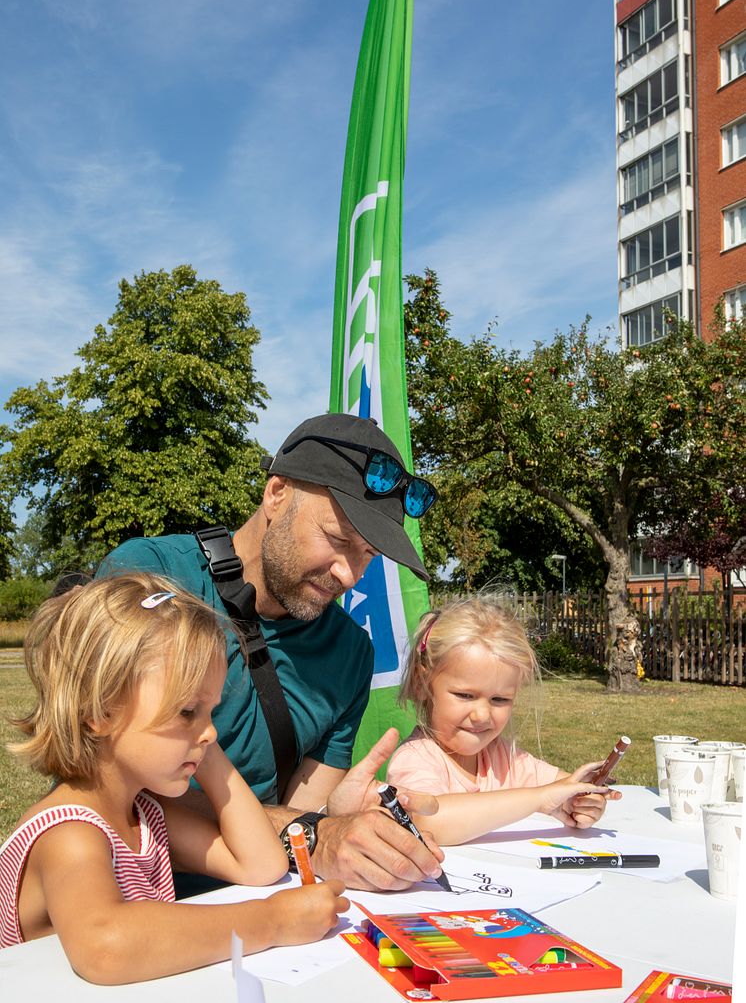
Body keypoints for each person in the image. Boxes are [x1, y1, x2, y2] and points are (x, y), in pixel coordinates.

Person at [96, 413, 446, 891]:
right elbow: (103, 782)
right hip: (123, 893)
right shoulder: (150, 578)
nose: (349, 576)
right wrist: (306, 832)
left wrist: (331, 818)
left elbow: (305, 806)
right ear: (276, 494)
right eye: (339, 540)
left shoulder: (350, 652)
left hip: (259, 900)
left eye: (368, 554)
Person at [0, 574, 348, 983]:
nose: (210, 731)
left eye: (211, 711)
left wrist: (204, 746)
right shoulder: (68, 835)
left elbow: (260, 864)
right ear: (101, 712)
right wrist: (272, 921)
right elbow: (106, 946)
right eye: (186, 711)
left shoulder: (144, 815)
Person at [387, 596, 620, 845]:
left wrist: (579, 799)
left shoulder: (503, 758)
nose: (482, 715)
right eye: (465, 695)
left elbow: (559, 787)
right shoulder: (415, 759)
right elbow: (429, 822)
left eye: (499, 699)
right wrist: (540, 799)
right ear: (422, 683)